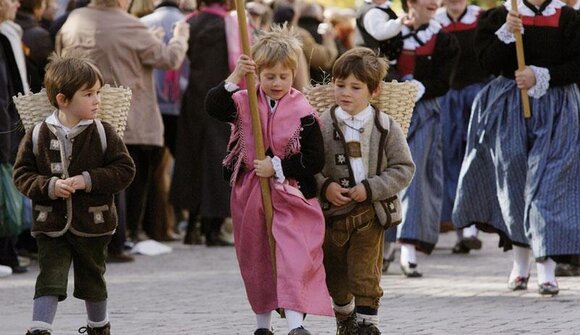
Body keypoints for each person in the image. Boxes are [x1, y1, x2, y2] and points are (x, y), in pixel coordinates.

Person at [205, 26, 333, 335]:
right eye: (269, 76)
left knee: (294, 257)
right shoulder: (244, 101)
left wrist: (278, 165)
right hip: (251, 193)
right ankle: (262, 325)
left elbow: (314, 158)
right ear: (257, 74)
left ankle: (295, 325)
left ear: (293, 74)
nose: (276, 83)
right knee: (257, 259)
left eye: (283, 76)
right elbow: (213, 106)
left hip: (292, 195)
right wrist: (235, 76)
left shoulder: (304, 110)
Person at [451, 0, 580, 295]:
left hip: (558, 109)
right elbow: (486, 62)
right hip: (509, 106)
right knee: (513, 180)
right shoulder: (497, 16)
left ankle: (546, 267)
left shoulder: (570, 18)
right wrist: (506, 32)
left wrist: (541, 75)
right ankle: (520, 261)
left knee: (549, 186)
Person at [13, 55, 135, 334]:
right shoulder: (37, 133)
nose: (97, 100)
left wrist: (87, 180)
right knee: (49, 278)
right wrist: (49, 186)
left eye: (98, 93)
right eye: (89, 94)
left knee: (93, 277)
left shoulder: (103, 132)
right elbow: (21, 175)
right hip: (51, 222)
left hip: (94, 223)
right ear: (62, 99)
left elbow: (125, 170)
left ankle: (98, 326)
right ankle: (39, 328)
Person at [56, 0, 189, 252]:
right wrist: (179, 37)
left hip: (81, 117)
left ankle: (97, 239)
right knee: (128, 181)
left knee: (89, 180)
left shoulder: (73, 20)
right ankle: (123, 238)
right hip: (130, 119)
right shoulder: (130, 25)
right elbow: (169, 59)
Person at [316, 47, 415, 335]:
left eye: (355, 87)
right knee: (334, 275)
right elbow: (310, 166)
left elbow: (404, 168)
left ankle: (368, 326)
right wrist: (326, 186)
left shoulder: (385, 126)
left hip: (370, 214)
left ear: (374, 90)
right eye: (340, 85)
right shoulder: (322, 124)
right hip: (333, 215)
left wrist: (371, 188)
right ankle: (345, 319)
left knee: (364, 274)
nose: (345, 92)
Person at [394, 0, 458, 278]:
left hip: (425, 111)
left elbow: (445, 81)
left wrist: (420, 88)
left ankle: (408, 248)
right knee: (383, 175)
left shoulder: (443, 40)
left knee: (414, 175)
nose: (435, 3)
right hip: (389, 110)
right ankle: (383, 247)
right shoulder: (390, 32)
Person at [433, 0, 489, 254]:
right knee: (448, 158)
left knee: (476, 156)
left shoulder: (482, 18)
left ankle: (472, 226)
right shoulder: (434, 20)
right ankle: (459, 227)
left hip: (476, 94)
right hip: (446, 97)